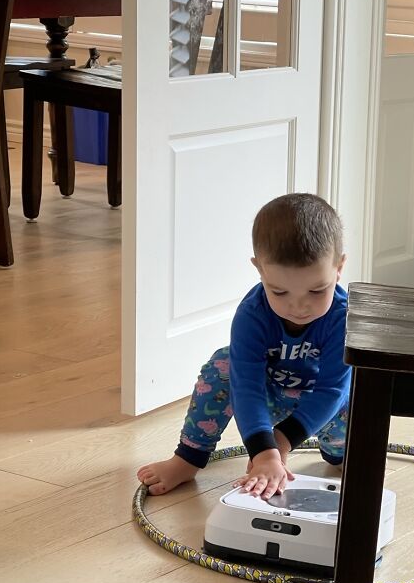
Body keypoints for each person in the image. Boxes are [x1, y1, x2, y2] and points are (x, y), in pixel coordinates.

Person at [137, 193, 350, 501]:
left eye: (317, 290)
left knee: (358, 406)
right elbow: (246, 386)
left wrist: (281, 442)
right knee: (222, 367)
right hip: (270, 395)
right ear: (259, 269)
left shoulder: (341, 317)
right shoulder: (252, 315)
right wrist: (264, 449)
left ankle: (337, 453)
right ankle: (187, 459)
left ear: (339, 267)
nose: (299, 306)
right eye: (279, 291)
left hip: (328, 405)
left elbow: (333, 390)